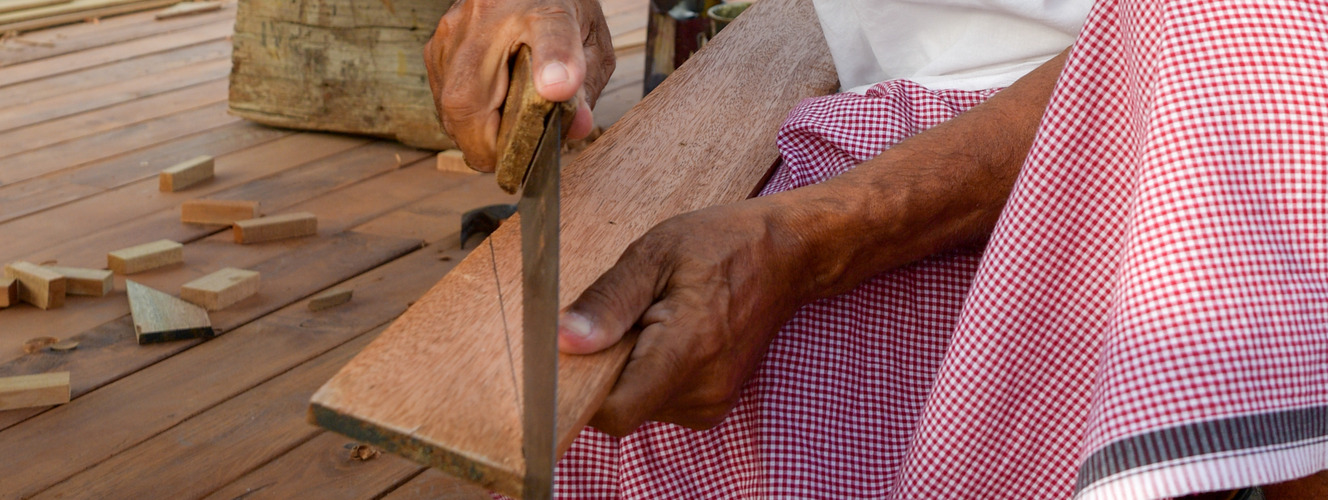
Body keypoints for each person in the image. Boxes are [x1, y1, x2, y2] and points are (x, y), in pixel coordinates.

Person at [424, 0, 1328, 498]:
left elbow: (1251, 41)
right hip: (871, 117)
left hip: (1181, 149)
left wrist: (807, 238)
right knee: (636, 409)